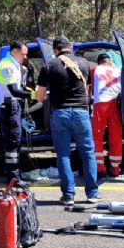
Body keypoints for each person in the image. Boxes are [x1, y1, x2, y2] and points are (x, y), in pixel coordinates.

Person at [35, 35, 100, 205]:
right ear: (70, 47)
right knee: (88, 153)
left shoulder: (49, 65)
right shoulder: (85, 63)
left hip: (60, 113)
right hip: (81, 112)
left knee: (63, 154)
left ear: (55, 50)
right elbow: (87, 91)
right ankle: (92, 194)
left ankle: (68, 195)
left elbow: (40, 97)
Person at [0, 41, 32, 182]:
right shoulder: (7, 65)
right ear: (14, 51)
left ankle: (14, 175)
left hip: (12, 105)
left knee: (14, 142)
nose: (25, 56)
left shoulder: (14, 64)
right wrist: (32, 95)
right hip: (9, 107)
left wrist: (26, 91)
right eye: (23, 54)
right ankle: (13, 178)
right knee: (13, 142)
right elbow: (14, 90)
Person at [91, 53, 123, 177]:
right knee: (115, 137)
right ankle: (115, 168)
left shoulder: (95, 69)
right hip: (115, 105)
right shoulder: (117, 70)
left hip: (101, 105)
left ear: (99, 62)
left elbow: (91, 87)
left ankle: (100, 168)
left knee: (97, 136)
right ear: (109, 62)